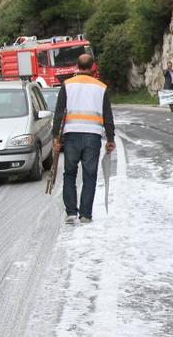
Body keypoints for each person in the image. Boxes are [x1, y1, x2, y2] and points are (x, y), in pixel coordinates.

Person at [51, 54, 116, 224]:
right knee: (90, 175)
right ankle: (86, 215)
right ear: (93, 67)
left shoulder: (67, 85)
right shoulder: (101, 87)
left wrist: (55, 137)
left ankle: (71, 213)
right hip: (92, 136)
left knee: (70, 173)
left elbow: (58, 114)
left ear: (76, 66)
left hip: (71, 135)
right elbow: (108, 117)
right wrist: (110, 139)